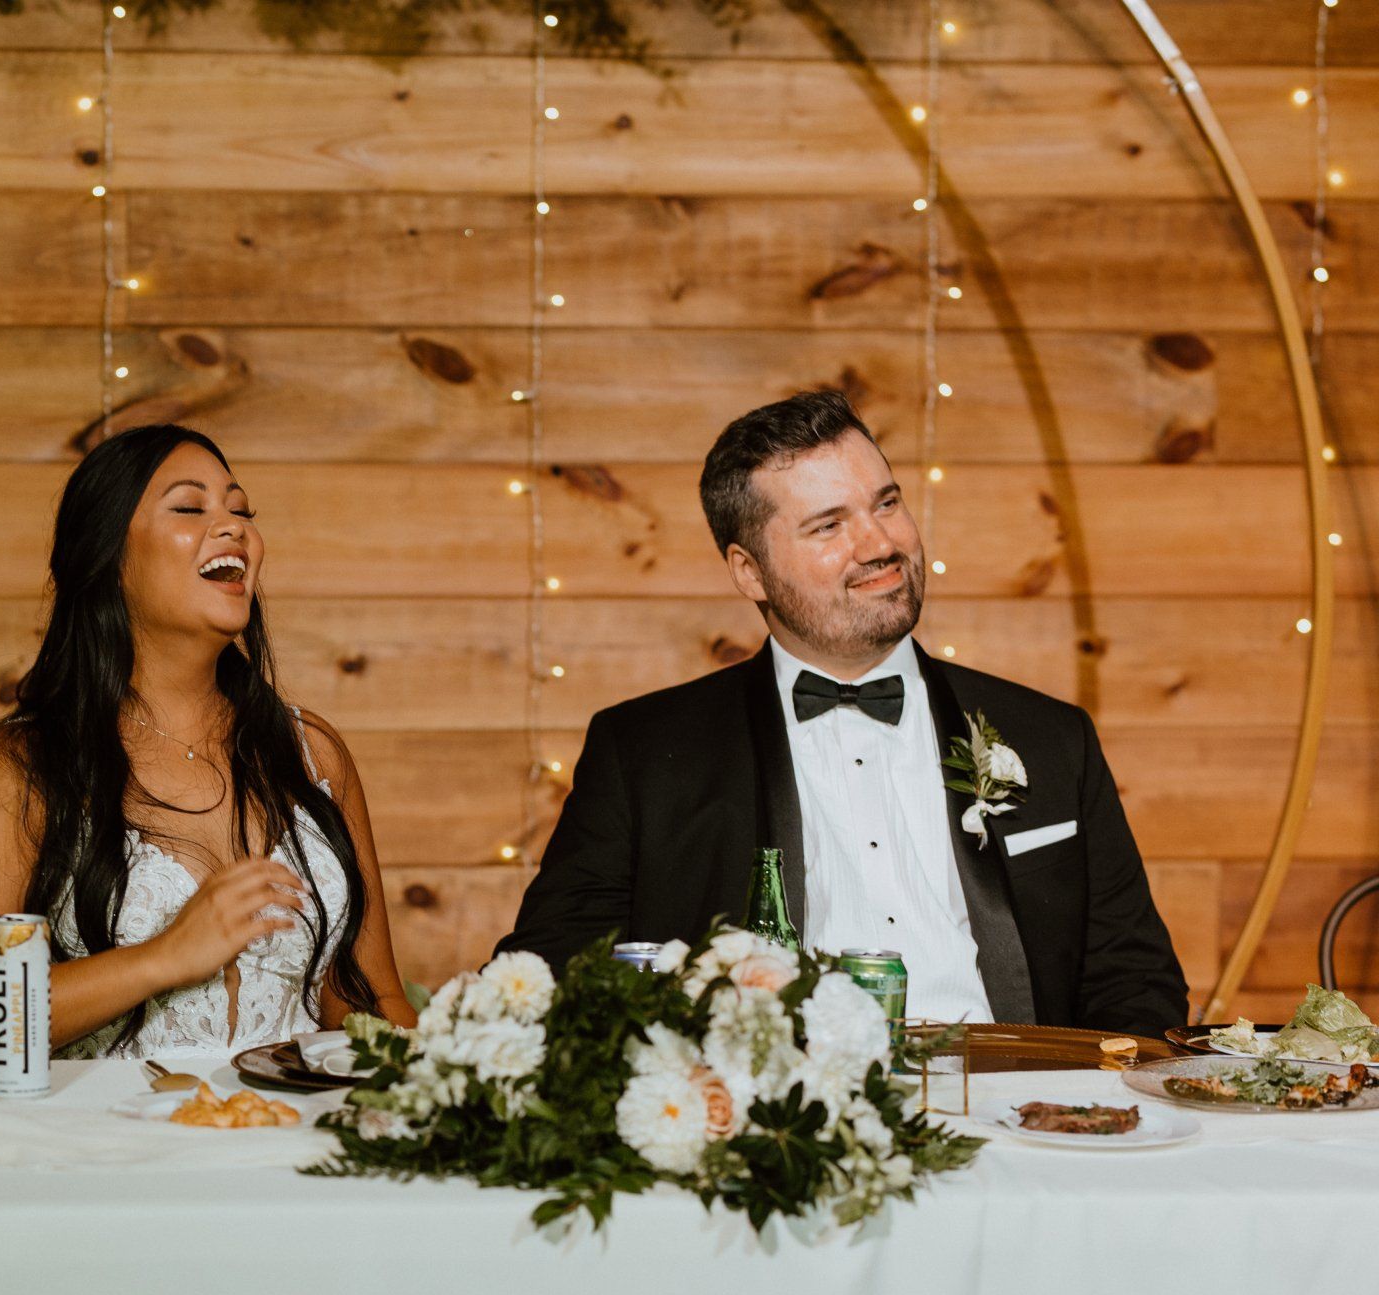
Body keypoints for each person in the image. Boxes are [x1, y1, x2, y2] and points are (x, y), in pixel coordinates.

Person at [497, 390, 1187, 1035]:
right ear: (749, 571)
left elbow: (1136, 977)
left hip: (1012, 1111)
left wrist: (1078, 1123)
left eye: (886, 504)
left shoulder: (1051, 737)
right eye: (829, 525)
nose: (880, 544)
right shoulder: (644, 752)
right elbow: (547, 973)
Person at [0, 425, 417, 1058]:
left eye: (241, 510)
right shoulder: (25, 766)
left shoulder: (313, 755)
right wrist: (162, 959)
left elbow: (367, 997)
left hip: (284, 1135)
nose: (234, 529)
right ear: (108, 556)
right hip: (106, 1142)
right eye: (191, 509)